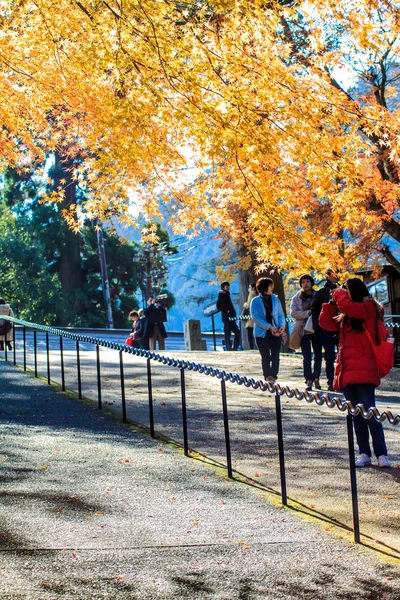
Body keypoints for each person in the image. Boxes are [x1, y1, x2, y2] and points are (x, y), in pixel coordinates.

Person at [320, 278, 391, 468]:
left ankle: (381, 454)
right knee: (356, 416)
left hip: (365, 372)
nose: (343, 292)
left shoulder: (368, 309)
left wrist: (338, 293)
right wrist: (333, 302)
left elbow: (352, 308)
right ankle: (364, 453)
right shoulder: (346, 315)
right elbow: (325, 322)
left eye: (346, 289)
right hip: (347, 372)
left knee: (370, 414)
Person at [290, 274, 322, 391]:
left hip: (316, 329)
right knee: (307, 356)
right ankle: (308, 379)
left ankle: (316, 377)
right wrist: (308, 313)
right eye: (303, 282)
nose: (305, 284)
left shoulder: (318, 295)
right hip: (303, 330)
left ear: (311, 283)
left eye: (307, 281)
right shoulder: (296, 298)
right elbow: (293, 313)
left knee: (318, 355)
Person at [250, 277, 286, 382]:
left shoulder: (275, 299)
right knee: (265, 356)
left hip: (275, 332)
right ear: (264, 287)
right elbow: (255, 317)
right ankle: (268, 375)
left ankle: (274, 375)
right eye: (270, 286)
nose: (272, 288)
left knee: (275, 355)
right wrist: (268, 327)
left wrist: (282, 325)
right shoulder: (255, 301)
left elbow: (280, 314)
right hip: (261, 333)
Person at [311, 269, 340, 391]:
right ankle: (331, 382)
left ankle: (341, 381)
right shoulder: (320, 293)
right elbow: (315, 311)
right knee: (329, 358)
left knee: (341, 356)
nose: (336, 276)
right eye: (333, 274)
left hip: (340, 329)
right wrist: (317, 328)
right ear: (327, 276)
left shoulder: (342, 290)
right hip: (326, 330)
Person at [216, 282, 241, 351]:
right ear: (223, 287)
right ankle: (229, 347)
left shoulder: (227, 294)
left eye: (228, 286)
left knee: (236, 332)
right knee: (228, 333)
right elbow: (218, 306)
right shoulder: (221, 295)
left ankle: (234, 347)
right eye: (226, 286)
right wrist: (226, 310)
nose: (228, 287)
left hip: (231, 317)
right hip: (227, 317)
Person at [242, 283, 257, 349]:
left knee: (250, 332)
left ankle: (251, 347)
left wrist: (244, 304)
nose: (249, 288)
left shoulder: (251, 294)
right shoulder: (257, 294)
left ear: (253, 288)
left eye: (250, 287)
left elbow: (248, 305)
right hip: (255, 316)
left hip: (250, 317)